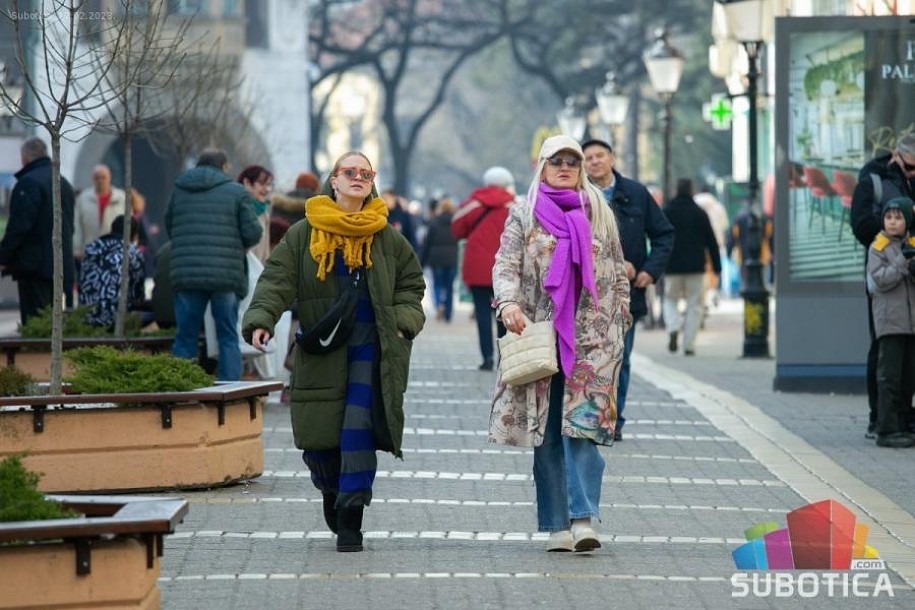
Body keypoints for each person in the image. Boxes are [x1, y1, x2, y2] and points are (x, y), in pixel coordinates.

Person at [242, 151, 425, 552]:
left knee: (357, 429)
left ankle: (351, 517)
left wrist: (402, 321)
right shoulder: (304, 234)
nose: (358, 177)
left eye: (366, 173)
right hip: (321, 346)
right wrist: (261, 320)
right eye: (350, 172)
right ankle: (331, 491)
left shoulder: (387, 236)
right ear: (335, 180)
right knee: (322, 441)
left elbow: (412, 287)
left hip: (370, 348)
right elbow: (276, 281)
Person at [491, 135, 631, 553]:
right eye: (558, 160)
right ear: (543, 166)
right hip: (540, 335)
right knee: (549, 433)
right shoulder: (523, 213)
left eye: (573, 160)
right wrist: (509, 304)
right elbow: (506, 264)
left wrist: (621, 313)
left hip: (594, 340)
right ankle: (557, 525)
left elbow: (617, 268)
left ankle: (584, 518)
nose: (566, 166)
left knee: (583, 426)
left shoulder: (599, 210)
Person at [582, 139, 674, 440]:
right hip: (586, 295)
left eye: (599, 156)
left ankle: (613, 420)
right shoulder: (578, 195)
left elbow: (663, 234)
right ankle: (589, 416)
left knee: (620, 358)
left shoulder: (635, 193)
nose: (594, 161)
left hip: (626, 296)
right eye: (588, 158)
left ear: (612, 158)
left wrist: (649, 270)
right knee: (589, 359)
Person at [165, 148, 262, 381]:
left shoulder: (179, 189)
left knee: (185, 335)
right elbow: (253, 232)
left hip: (187, 274)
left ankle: (180, 387)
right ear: (224, 166)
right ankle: (229, 393)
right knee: (227, 335)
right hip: (226, 275)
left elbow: (170, 226)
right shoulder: (236, 192)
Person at [851, 133, 915, 439]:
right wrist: (893, 237)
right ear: (896, 156)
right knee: (883, 347)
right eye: (910, 168)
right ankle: (880, 417)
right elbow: (860, 223)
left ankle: (904, 416)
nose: (913, 174)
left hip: (910, 280)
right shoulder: (873, 179)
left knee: (908, 355)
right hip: (887, 271)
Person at [0, 136, 76, 325]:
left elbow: (20, 226)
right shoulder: (63, 182)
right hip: (59, 263)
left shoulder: (29, 183)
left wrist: (4, 256)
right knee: (52, 321)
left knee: (36, 322)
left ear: (25, 157)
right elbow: (69, 226)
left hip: (34, 266)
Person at [451, 166, 515, 370]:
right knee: (504, 312)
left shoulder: (473, 203)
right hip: (506, 268)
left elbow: (457, 229)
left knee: (481, 312)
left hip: (477, 266)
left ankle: (487, 357)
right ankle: (504, 357)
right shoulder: (515, 205)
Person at [865, 197, 915, 448]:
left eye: (898, 218)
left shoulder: (912, 243)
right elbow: (881, 280)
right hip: (890, 321)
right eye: (889, 217)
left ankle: (904, 424)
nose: (893, 222)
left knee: (908, 379)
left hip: (910, 323)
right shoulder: (879, 246)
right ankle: (887, 428)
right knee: (890, 378)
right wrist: (902, 260)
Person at [662, 179, 722, 356]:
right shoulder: (699, 213)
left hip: (671, 266)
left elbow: (659, 237)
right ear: (691, 191)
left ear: (676, 190)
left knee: (670, 300)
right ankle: (689, 345)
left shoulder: (667, 211)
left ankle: (673, 328)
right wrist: (717, 266)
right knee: (695, 305)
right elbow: (711, 242)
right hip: (696, 266)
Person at [78, 215, 145, 328]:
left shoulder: (91, 249)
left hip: (86, 315)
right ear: (133, 236)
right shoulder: (131, 252)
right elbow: (137, 293)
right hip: (114, 317)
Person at [73, 164, 127, 268]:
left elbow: (129, 224)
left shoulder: (121, 198)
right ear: (93, 179)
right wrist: (77, 249)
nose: (100, 181)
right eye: (97, 178)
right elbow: (77, 225)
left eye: (103, 177)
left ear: (109, 178)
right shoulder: (83, 199)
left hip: (116, 252)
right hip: (90, 251)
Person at [420, 197, 459, 322]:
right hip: (451, 258)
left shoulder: (434, 222)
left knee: (437, 284)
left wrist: (422, 260)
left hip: (436, 257)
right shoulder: (456, 222)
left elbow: (427, 243)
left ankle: (438, 306)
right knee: (449, 286)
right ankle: (447, 314)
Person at [694, 186, 730, 305]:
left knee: (701, 270)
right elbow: (724, 226)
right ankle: (712, 292)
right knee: (712, 269)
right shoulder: (718, 207)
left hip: (698, 243)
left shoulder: (694, 204)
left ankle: (703, 296)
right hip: (716, 242)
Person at [237, 165, 274, 263]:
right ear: (247, 183)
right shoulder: (235, 208)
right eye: (261, 183)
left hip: (256, 273)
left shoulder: (264, 214)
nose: (266, 189)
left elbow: (266, 253)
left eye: (269, 184)